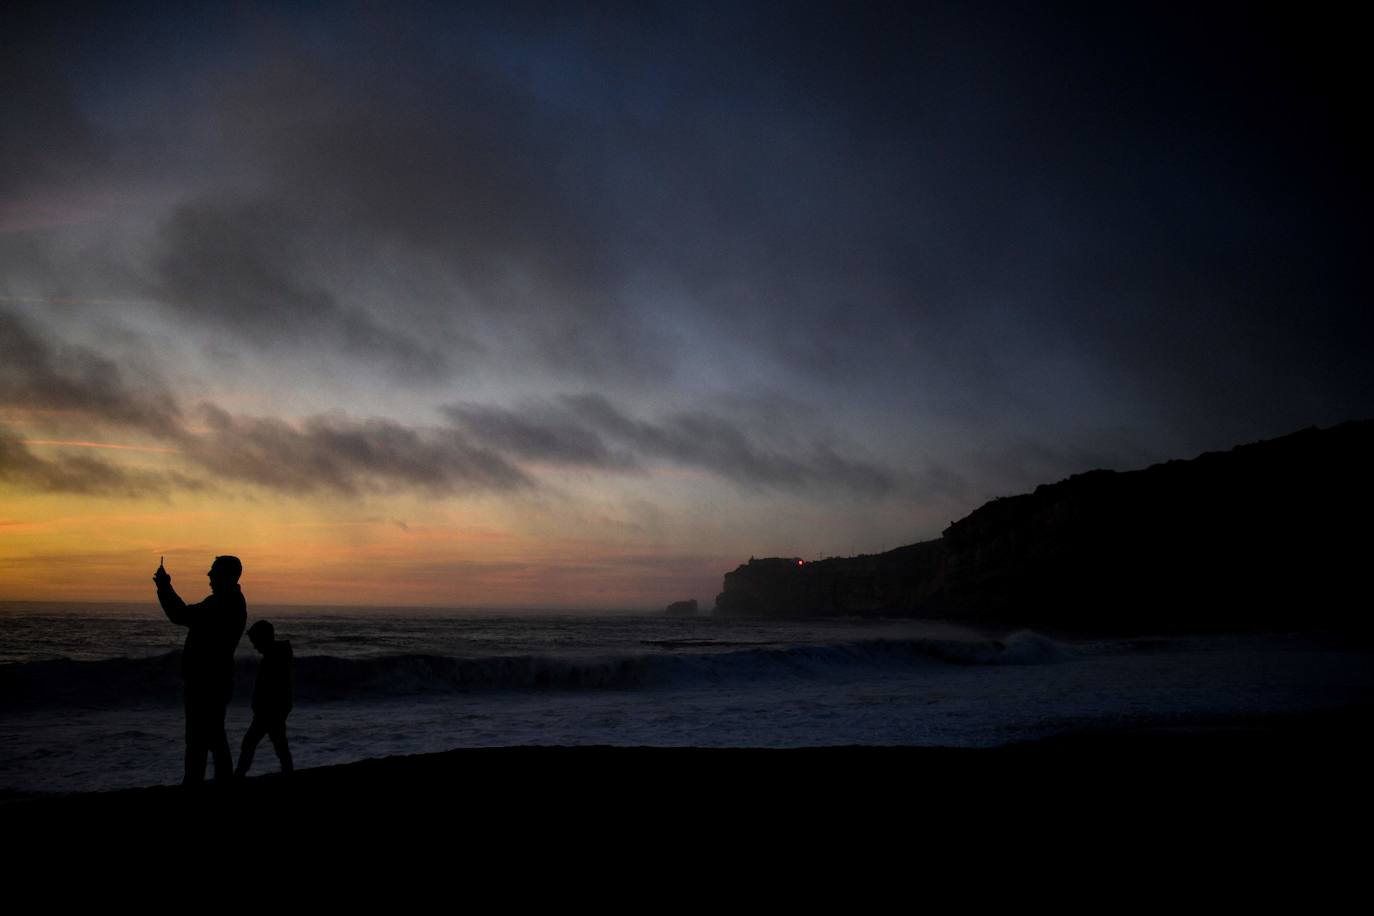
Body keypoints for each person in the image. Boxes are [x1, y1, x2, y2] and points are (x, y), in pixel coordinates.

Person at [154, 555, 247, 784]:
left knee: (200, 739)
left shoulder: (222, 603)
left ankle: (196, 783)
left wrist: (165, 587)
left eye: (213, 571)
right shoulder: (228, 601)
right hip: (215, 679)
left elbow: (181, 615)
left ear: (226, 576)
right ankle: (214, 782)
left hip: (207, 682)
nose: (209, 575)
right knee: (212, 737)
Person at [235, 619, 294, 778]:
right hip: (273, 709)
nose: (254, 645)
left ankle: (239, 774)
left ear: (264, 638)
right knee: (278, 743)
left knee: (252, 741)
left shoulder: (273, 659)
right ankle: (288, 772)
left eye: (256, 641)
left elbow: (273, 688)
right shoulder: (275, 656)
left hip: (270, 710)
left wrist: (263, 706)